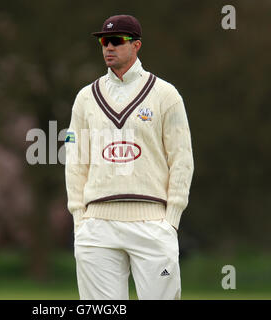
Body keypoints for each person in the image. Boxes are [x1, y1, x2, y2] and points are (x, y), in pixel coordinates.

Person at [65, 14, 194, 300]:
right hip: (96, 225)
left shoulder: (165, 94)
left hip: (152, 222)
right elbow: (75, 161)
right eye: (103, 41)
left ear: (136, 45)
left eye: (116, 41)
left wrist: (171, 219)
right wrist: (80, 219)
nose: (108, 47)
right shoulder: (86, 97)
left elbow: (182, 159)